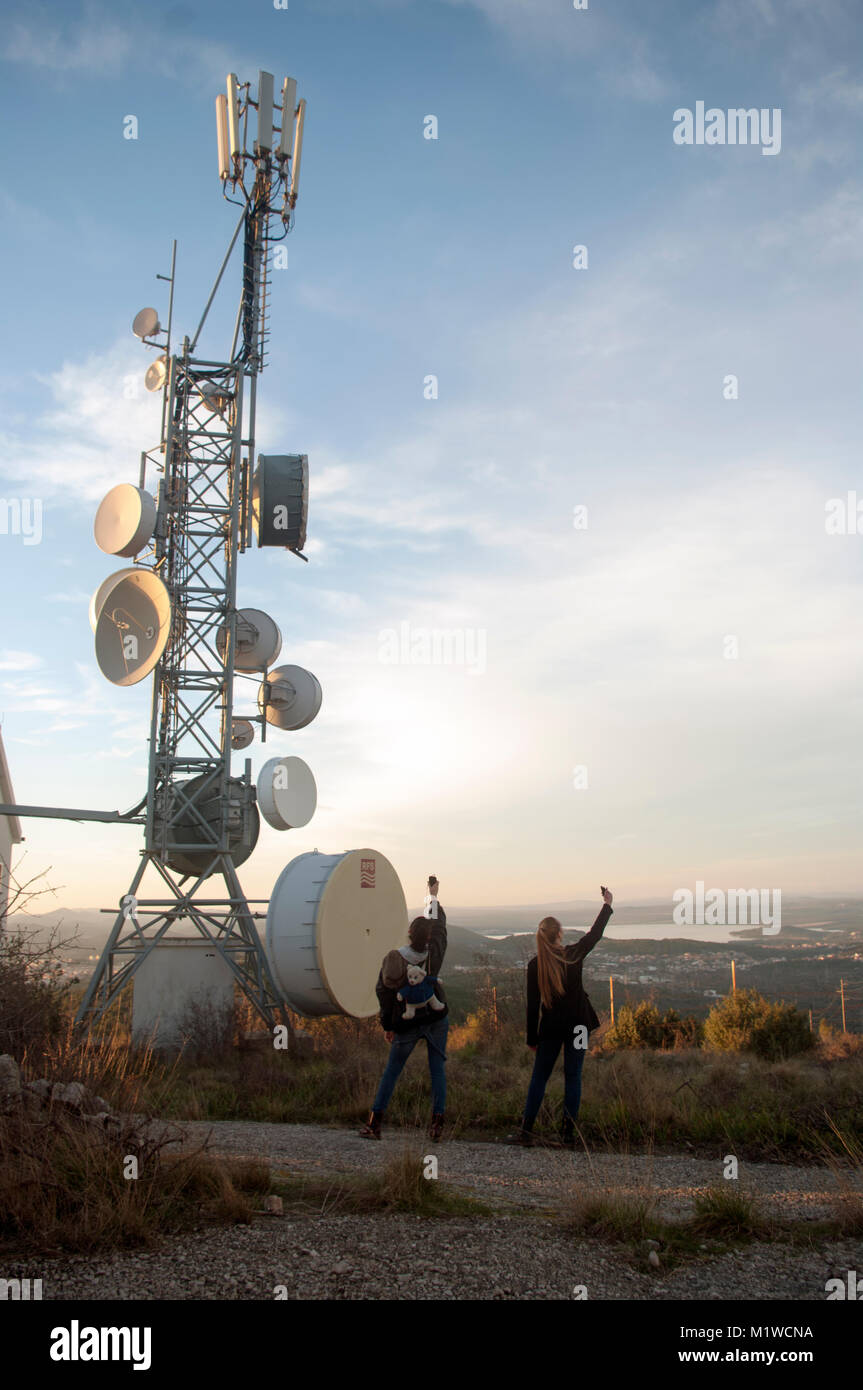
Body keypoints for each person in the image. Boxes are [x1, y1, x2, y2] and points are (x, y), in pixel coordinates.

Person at [508, 885, 614, 1148]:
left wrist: (532, 1038)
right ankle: (568, 1135)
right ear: (560, 934)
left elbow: (532, 1007)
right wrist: (607, 905)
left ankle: (526, 1132)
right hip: (579, 1027)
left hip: (552, 1029)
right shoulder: (573, 955)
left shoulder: (535, 965)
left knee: (539, 1077)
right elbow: (594, 935)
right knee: (573, 1076)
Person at [359, 875, 449, 1142]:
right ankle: (436, 1126)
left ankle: (375, 1125)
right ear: (429, 938)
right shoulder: (435, 952)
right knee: (437, 1071)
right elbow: (440, 927)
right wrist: (432, 897)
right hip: (436, 1018)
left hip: (406, 1022)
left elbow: (383, 992)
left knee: (392, 1070)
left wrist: (387, 1025)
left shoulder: (395, 958)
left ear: (409, 935)